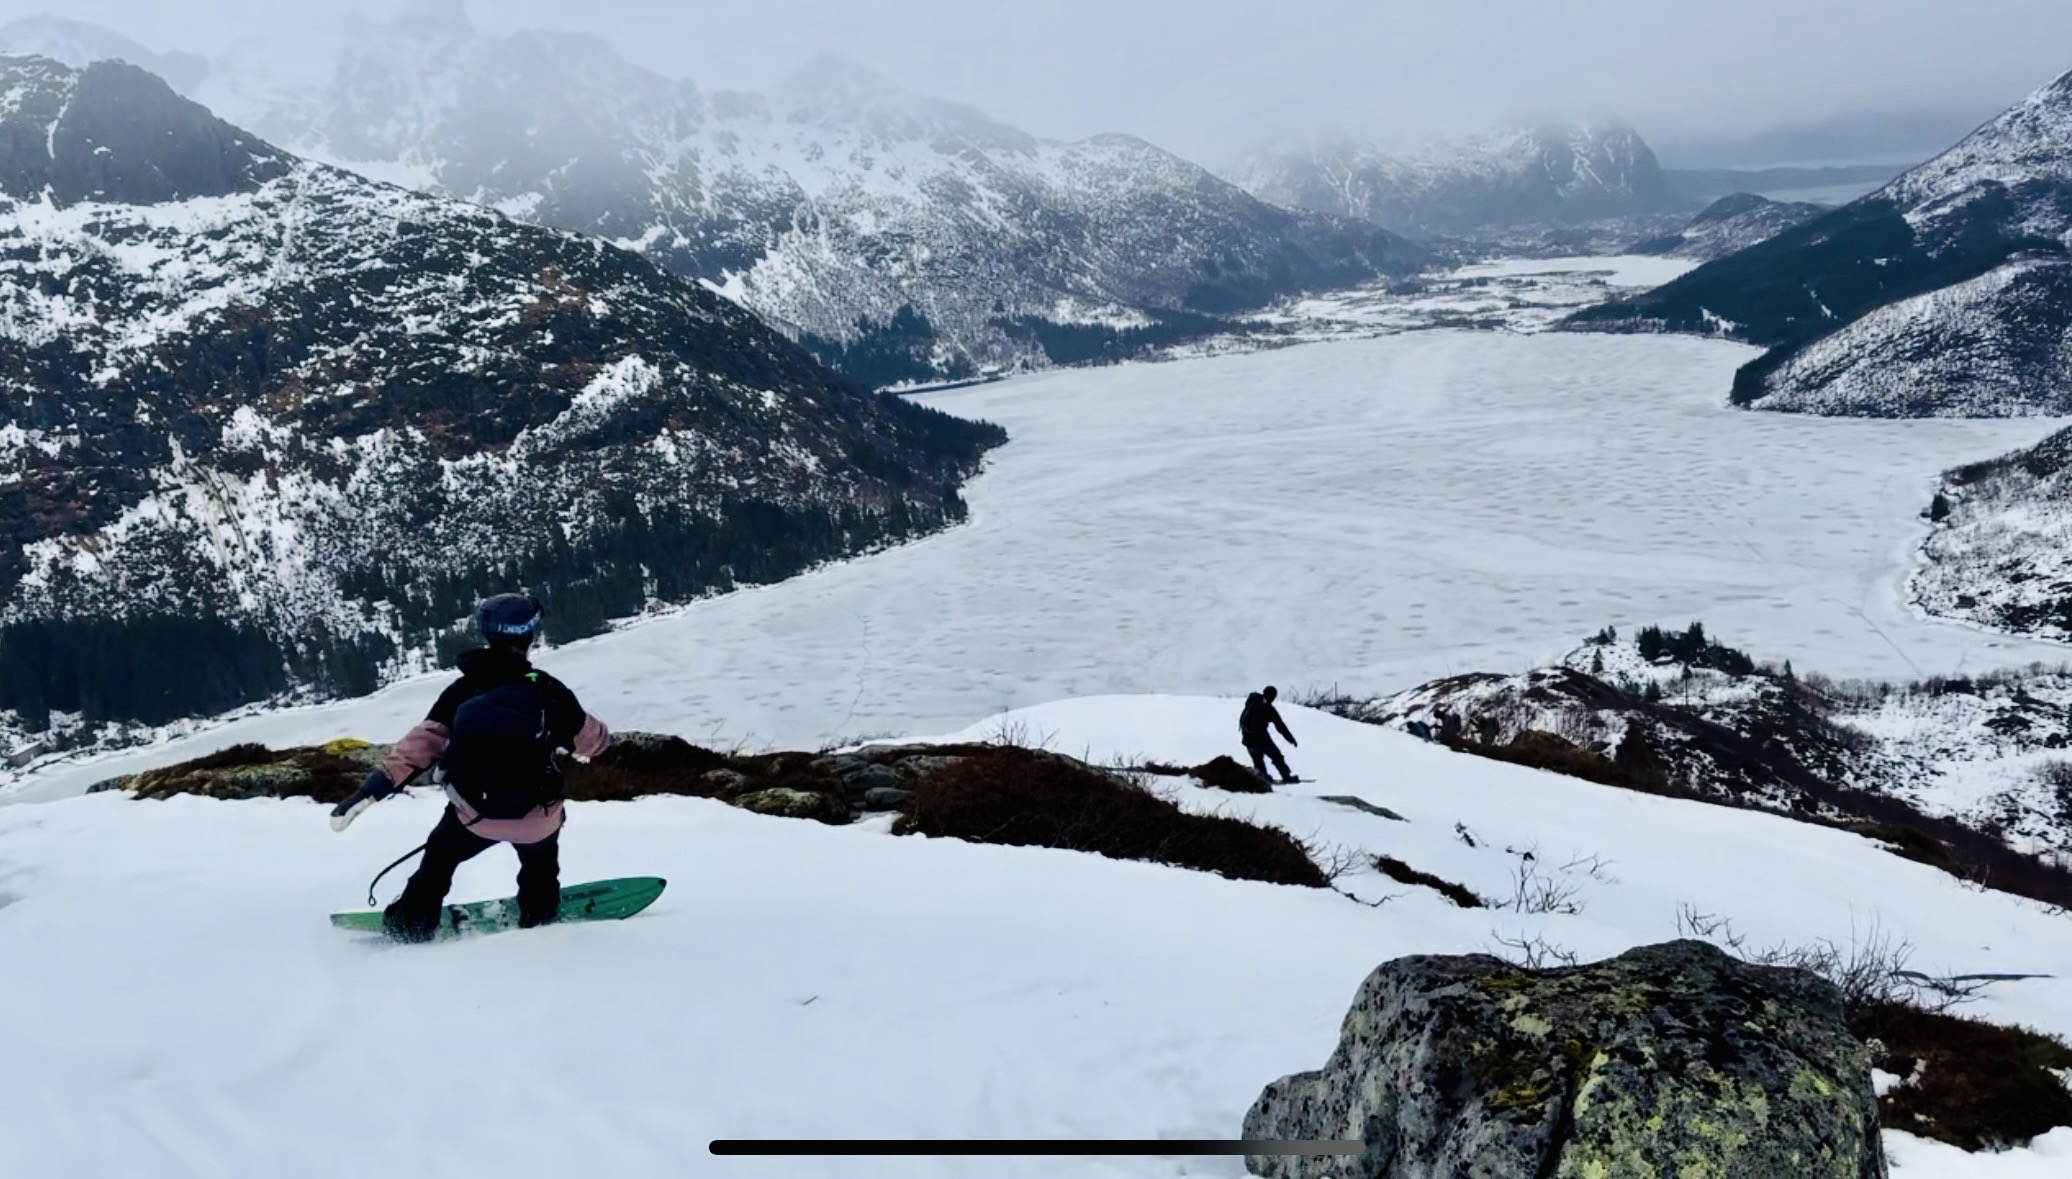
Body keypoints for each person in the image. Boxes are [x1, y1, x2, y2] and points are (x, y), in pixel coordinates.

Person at [329, 593, 610, 941]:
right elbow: (590, 744)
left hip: (474, 817)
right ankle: (538, 917)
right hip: (538, 817)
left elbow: (420, 747)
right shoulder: (549, 691)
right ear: (529, 635)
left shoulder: (462, 691)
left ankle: (410, 926)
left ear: (487, 634)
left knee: (437, 863)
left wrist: (371, 789)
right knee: (541, 868)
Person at [1239, 685, 1298, 784]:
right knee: (1277, 757)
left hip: (1248, 741)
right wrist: (1291, 739)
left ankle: (1262, 779)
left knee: (1258, 760)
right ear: (1273, 696)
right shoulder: (1268, 708)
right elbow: (1280, 726)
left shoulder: (1250, 704)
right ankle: (1286, 777)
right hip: (1262, 740)